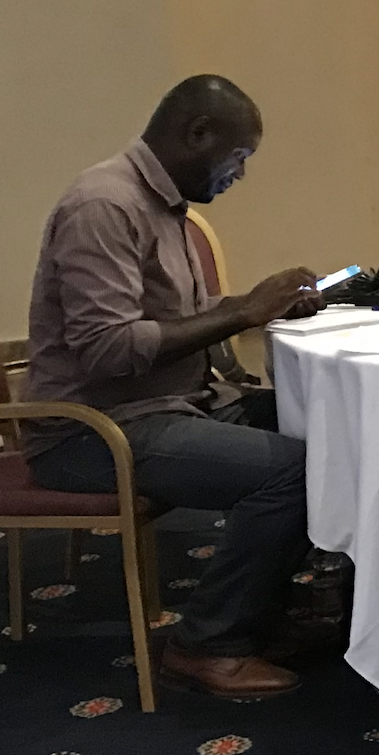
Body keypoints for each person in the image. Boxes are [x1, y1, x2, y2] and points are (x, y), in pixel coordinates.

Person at [23, 75, 321, 699]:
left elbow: (170, 315)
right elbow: (107, 347)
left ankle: (260, 608)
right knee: (290, 471)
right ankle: (206, 644)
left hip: (172, 406)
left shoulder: (161, 204)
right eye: (238, 156)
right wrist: (240, 314)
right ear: (197, 134)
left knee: (326, 426)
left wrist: (255, 305)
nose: (240, 174)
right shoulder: (104, 205)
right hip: (90, 430)